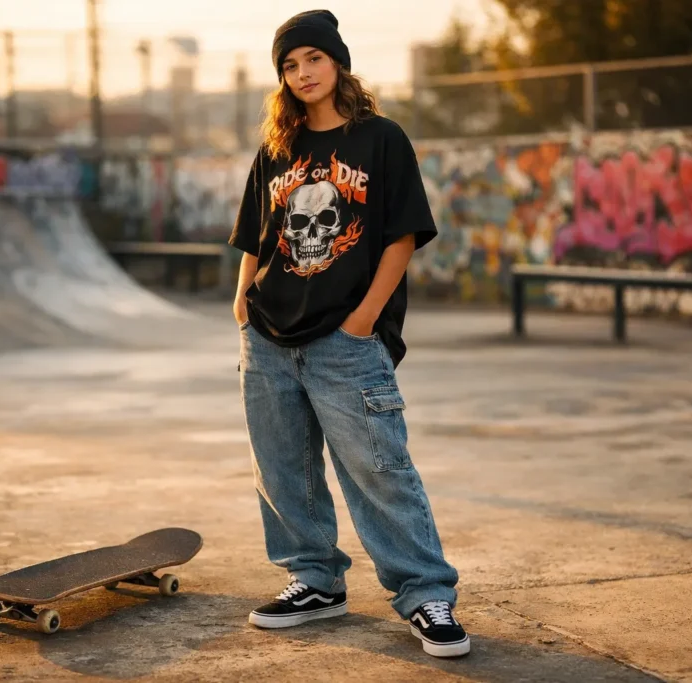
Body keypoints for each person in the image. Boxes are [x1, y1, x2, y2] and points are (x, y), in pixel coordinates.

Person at [228, 9, 469, 659]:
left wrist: (365, 318)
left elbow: (402, 235)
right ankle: (314, 578)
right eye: (289, 64)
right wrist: (242, 296)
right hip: (270, 337)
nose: (302, 73)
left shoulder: (380, 139)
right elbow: (257, 231)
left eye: (312, 58)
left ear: (337, 62)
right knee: (282, 470)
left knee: (380, 467)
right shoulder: (277, 148)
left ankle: (425, 593)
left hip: (346, 337)